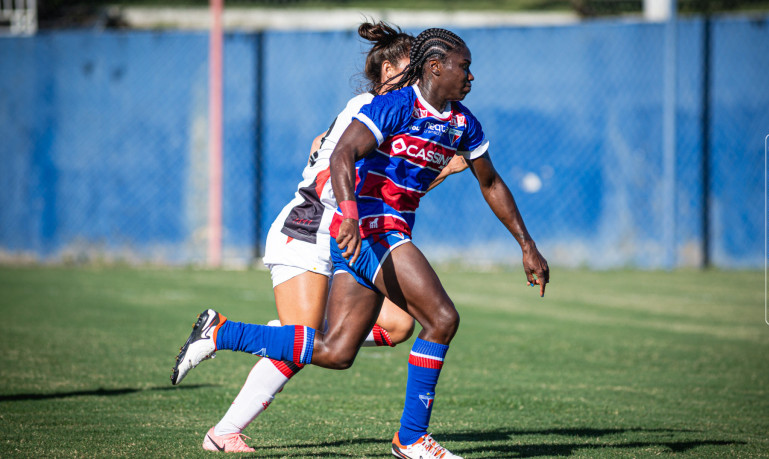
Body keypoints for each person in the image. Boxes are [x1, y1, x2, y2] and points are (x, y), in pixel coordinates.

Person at [172, 27, 549, 459]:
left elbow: (490, 181)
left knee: (337, 350)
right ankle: (411, 439)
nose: (471, 76)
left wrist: (527, 244)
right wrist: (351, 213)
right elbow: (338, 154)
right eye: (464, 66)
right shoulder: (387, 106)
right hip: (356, 226)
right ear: (434, 66)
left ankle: (223, 332)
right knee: (441, 318)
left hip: (360, 230)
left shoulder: (463, 122)